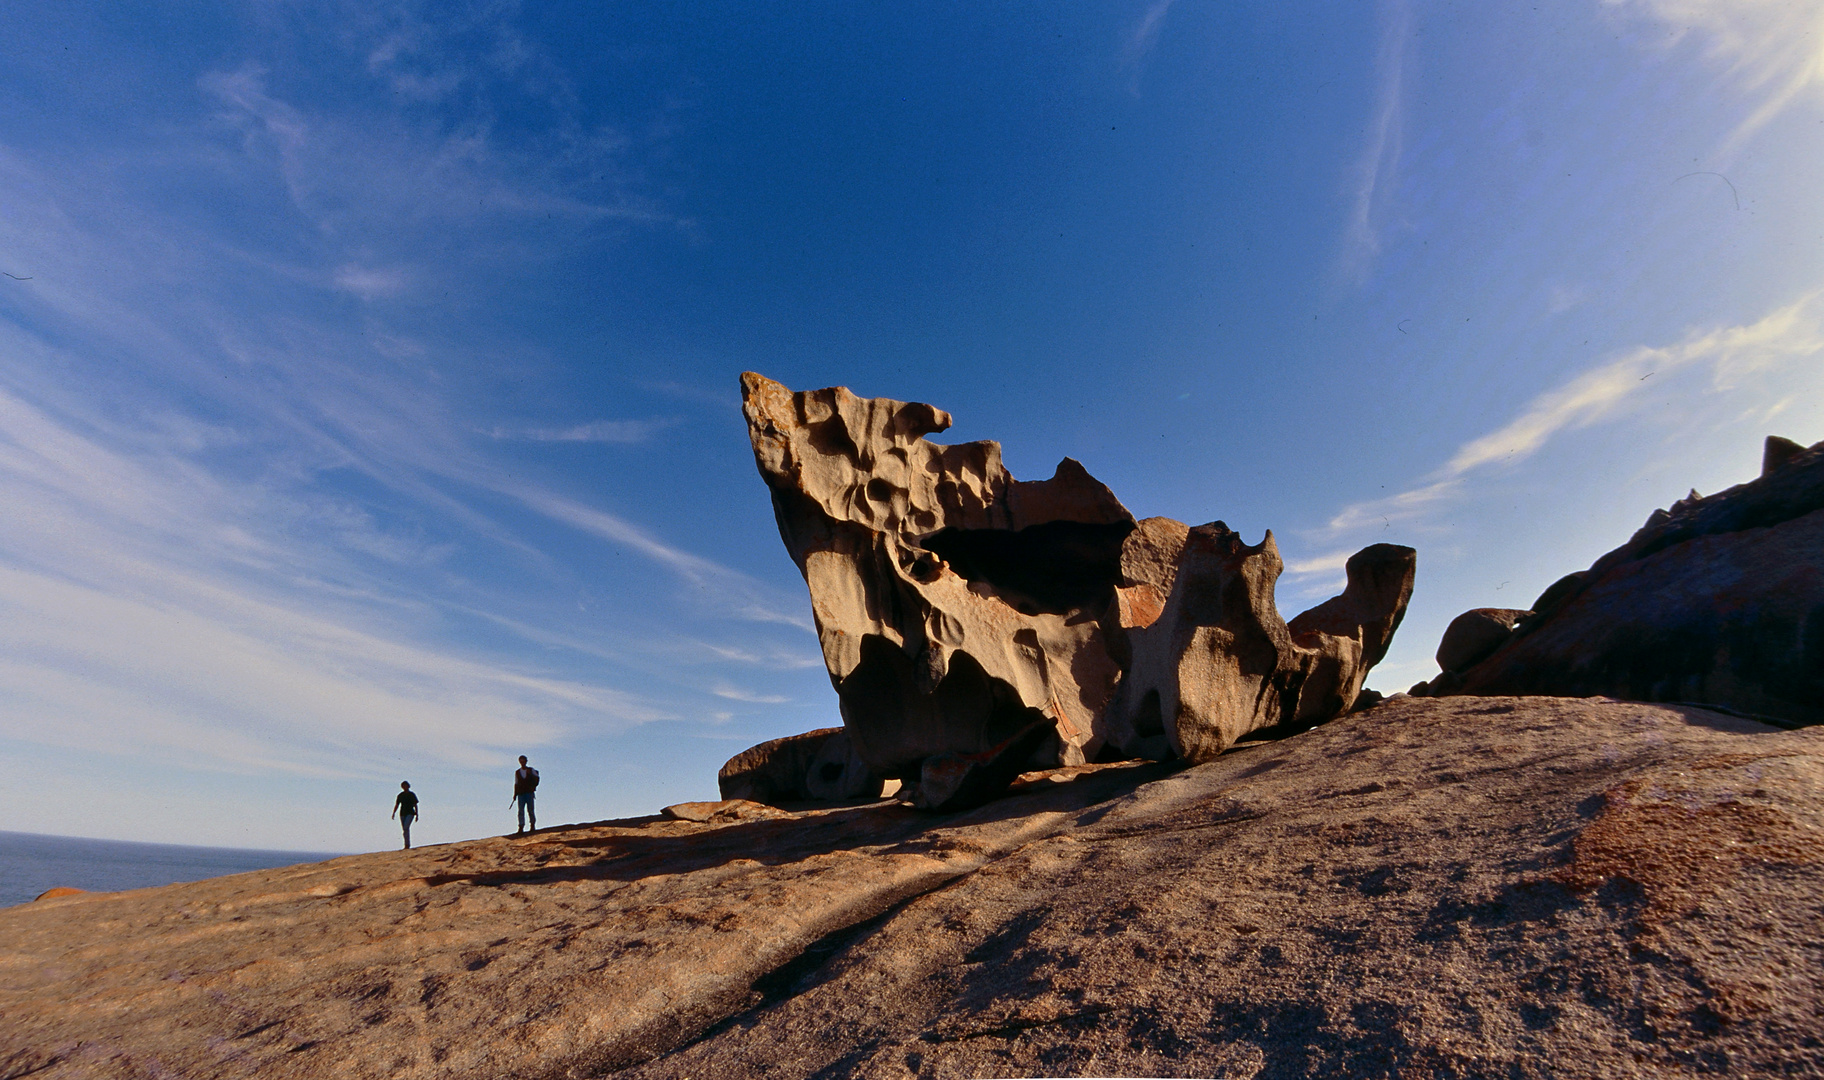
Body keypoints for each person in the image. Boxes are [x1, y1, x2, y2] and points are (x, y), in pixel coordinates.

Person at [511, 755, 539, 835]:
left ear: (526, 761)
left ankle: (532, 825)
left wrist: (533, 787)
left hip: (529, 793)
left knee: (530, 809)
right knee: (521, 811)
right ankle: (521, 826)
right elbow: (516, 783)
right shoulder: (517, 772)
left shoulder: (531, 770)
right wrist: (515, 794)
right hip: (521, 794)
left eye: (523, 761)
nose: (522, 763)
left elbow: (537, 779)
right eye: (521, 761)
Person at [391, 781, 419, 850]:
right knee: (404, 829)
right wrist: (394, 813)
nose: (404, 787)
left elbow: (415, 804)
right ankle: (406, 844)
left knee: (406, 827)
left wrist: (417, 814)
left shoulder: (411, 794)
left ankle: (407, 845)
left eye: (405, 786)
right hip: (402, 813)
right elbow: (397, 804)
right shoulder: (400, 795)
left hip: (410, 813)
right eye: (403, 786)